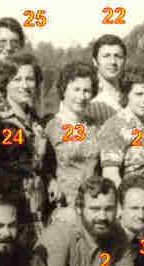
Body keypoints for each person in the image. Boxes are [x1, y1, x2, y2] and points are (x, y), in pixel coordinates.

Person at [0, 52, 52, 249]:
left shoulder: (33, 118)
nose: (25, 85)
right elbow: (9, 164)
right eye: (17, 79)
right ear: (5, 83)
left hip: (37, 206)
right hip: (11, 208)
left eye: (30, 79)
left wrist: (50, 178)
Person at [99, 63, 144, 223]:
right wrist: (127, 210)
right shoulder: (115, 126)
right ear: (127, 94)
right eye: (139, 94)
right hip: (132, 210)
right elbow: (110, 175)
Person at [44, 61, 102, 219]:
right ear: (64, 90)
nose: (81, 96)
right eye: (76, 89)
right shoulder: (51, 126)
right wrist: (51, 182)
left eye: (87, 91)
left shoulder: (96, 126)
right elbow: (43, 167)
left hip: (93, 206)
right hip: (63, 207)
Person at [87, 35, 127, 126]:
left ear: (125, 61)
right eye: (106, 56)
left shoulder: (133, 94)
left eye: (118, 56)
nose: (113, 62)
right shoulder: (84, 96)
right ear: (95, 61)